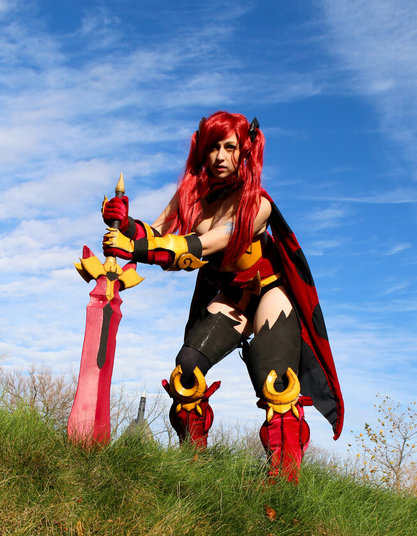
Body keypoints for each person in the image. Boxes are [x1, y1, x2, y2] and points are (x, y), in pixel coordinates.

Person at [102, 111, 343, 482]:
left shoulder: (257, 204)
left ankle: (283, 482)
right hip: (232, 294)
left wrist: (135, 247)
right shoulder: (190, 195)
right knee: (187, 370)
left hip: (270, 290)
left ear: (244, 150)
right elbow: (156, 233)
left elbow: (201, 246)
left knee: (277, 384)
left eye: (229, 147)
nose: (219, 156)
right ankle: (193, 461)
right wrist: (128, 223)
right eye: (213, 147)